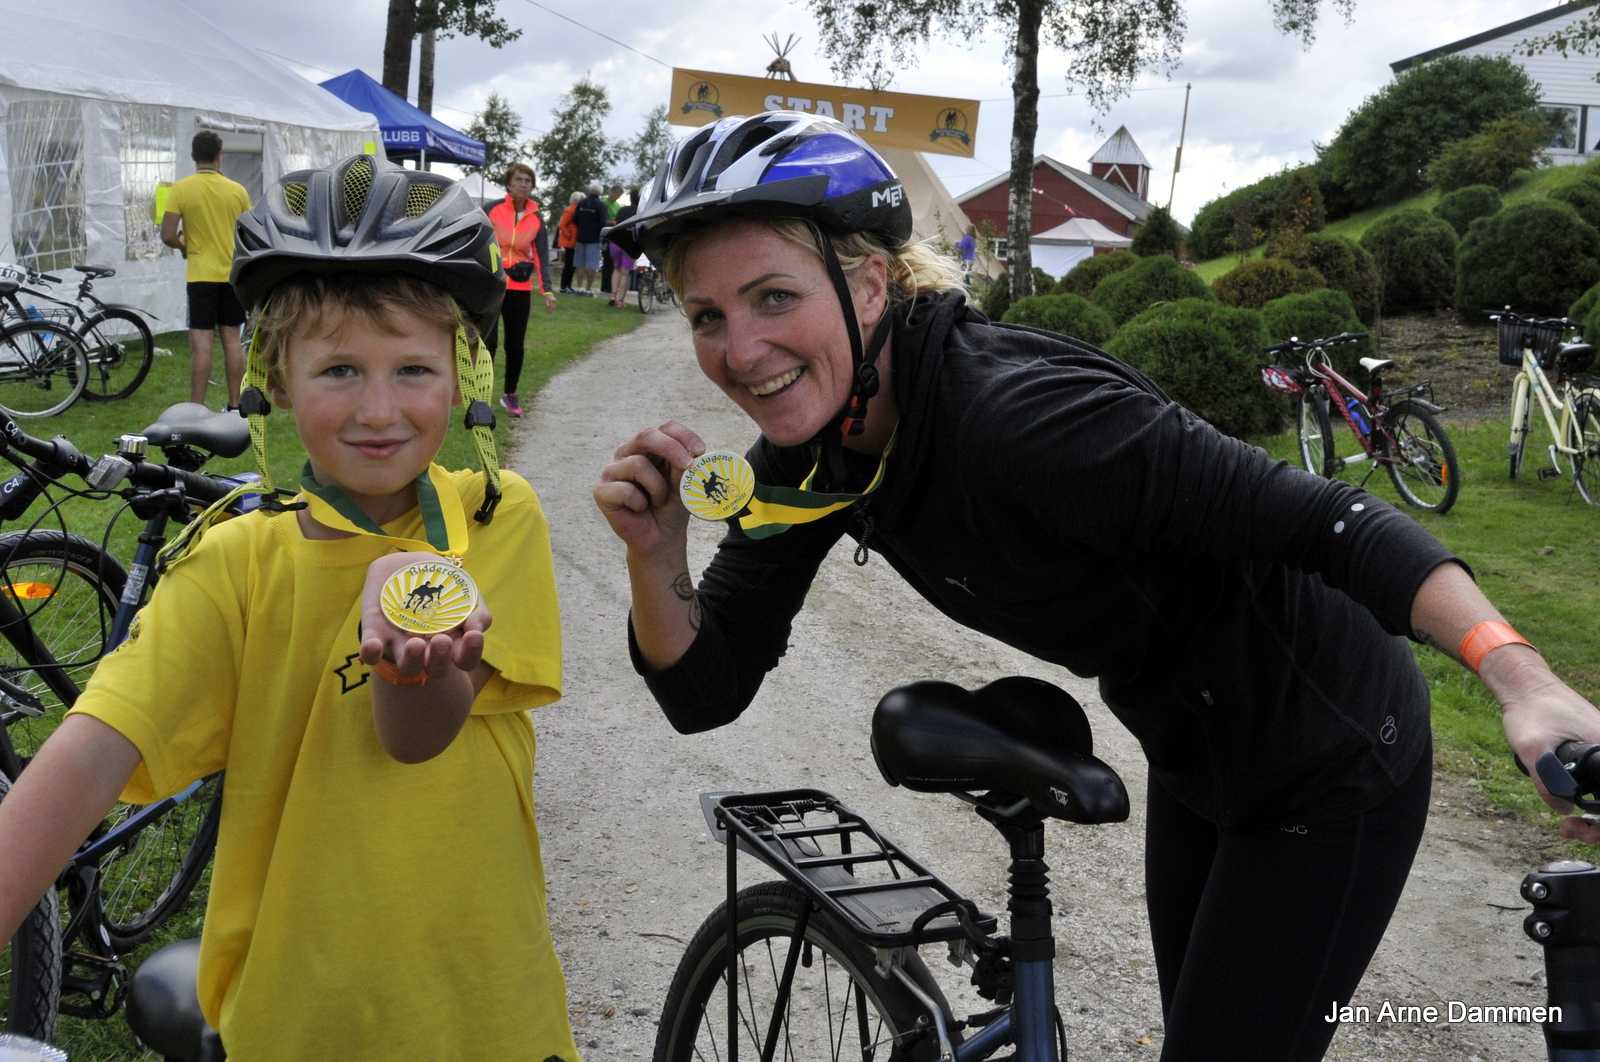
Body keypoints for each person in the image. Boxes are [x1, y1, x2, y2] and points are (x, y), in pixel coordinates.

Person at [593, 112, 1600, 1062]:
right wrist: (655, 557)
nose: (740, 351)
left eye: (774, 298)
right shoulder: (811, 457)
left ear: (866, 286)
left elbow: (1322, 518)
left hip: (1329, 749)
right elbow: (705, 690)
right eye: (707, 315)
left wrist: (1517, 679)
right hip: (1193, 747)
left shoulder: (1020, 420)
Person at [0, 154, 580, 1061]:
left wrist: (403, 661)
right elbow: (85, 757)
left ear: (464, 372)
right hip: (293, 1024)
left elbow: (423, 733)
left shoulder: (495, 519)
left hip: (488, 1017)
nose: (380, 410)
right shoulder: (232, 564)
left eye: (414, 370)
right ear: (271, 376)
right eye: (341, 370)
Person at [160, 129, 251, 408]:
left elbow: (166, 234)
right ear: (219, 157)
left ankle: (196, 407)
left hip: (200, 275)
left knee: (201, 345)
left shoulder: (181, 188)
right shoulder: (237, 190)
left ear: (192, 156)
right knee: (232, 341)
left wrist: (184, 244)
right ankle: (236, 405)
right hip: (230, 274)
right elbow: (249, 232)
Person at [486, 161, 558, 417]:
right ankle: (482, 397)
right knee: (489, 343)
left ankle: (510, 394)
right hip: (493, 284)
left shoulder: (536, 217)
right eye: (518, 179)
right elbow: (477, 240)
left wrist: (546, 290)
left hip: (519, 286)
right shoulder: (492, 209)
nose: (523, 184)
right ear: (508, 183)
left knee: (515, 346)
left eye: (528, 180)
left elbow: (541, 254)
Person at [606, 188, 640, 308]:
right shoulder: (640, 211)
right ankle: (620, 301)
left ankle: (613, 295)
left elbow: (616, 223)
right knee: (625, 274)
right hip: (629, 244)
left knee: (617, 269)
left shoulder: (622, 210)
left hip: (615, 242)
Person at [573, 183, 607, 297]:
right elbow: (603, 223)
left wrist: (582, 227)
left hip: (580, 236)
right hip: (593, 238)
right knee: (592, 265)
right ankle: (588, 290)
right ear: (600, 193)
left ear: (590, 191)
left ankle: (579, 287)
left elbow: (575, 219)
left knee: (580, 264)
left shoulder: (581, 203)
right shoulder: (600, 205)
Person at [599, 184, 624, 296]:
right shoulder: (604, 203)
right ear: (612, 193)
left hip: (614, 235)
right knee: (607, 263)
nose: (618, 197)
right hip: (606, 234)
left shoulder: (617, 205)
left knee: (613, 263)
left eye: (619, 196)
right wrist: (614, 223)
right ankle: (605, 286)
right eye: (617, 195)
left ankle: (611, 285)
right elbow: (603, 220)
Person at [558, 190, 582, 295]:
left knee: (572, 265)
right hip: (569, 241)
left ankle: (568, 285)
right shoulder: (570, 210)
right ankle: (564, 286)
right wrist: (570, 236)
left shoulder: (575, 210)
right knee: (569, 264)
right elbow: (562, 225)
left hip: (573, 241)